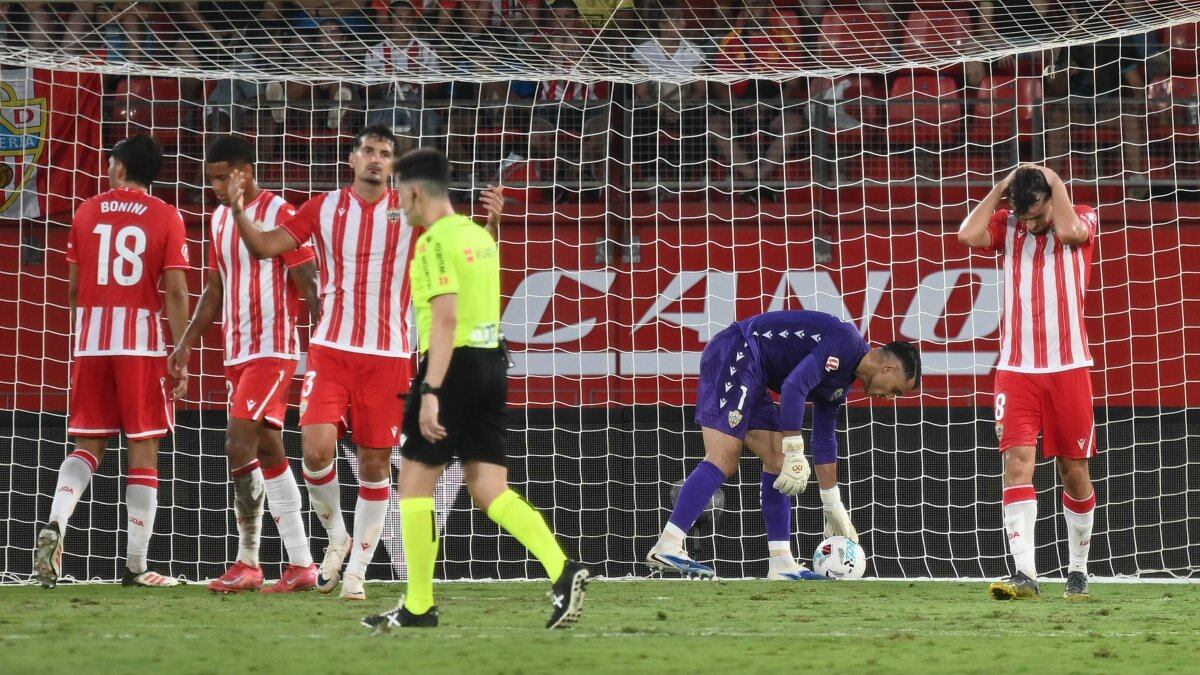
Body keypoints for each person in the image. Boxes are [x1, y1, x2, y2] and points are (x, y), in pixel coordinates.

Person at [227, 126, 503, 601]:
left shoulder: (411, 213)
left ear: (394, 166)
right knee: (315, 450)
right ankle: (337, 538)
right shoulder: (323, 207)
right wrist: (236, 211)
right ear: (352, 160)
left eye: (386, 154)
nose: (376, 160)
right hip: (331, 349)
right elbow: (267, 246)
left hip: (390, 356)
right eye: (369, 152)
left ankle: (355, 571)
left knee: (376, 465)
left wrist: (492, 225)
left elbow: (465, 255)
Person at [361, 148, 587, 631]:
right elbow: (479, 282)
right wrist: (496, 227)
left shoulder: (435, 242)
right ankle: (562, 570)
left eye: (400, 192)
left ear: (416, 191)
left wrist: (430, 390)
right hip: (493, 362)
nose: (398, 201)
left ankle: (419, 605)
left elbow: (445, 320)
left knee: (414, 484)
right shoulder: (476, 236)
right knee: (489, 488)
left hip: (455, 367)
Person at [645, 310, 921, 580]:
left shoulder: (841, 384)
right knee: (723, 458)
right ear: (889, 368)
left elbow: (825, 440)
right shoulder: (846, 340)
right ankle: (668, 544)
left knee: (778, 461)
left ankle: (781, 562)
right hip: (737, 351)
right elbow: (793, 387)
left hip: (756, 373)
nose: (891, 398)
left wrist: (832, 504)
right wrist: (795, 447)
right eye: (897, 390)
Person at [35, 134, 190, 589]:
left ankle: (56, 521)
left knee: (88, 445)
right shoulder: (167, 216)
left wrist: (88, 330)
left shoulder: (86, 211)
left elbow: (73, 289)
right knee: (143, 448)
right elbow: (177, 291)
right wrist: (180, 352)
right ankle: (136, 566)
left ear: (120, 168)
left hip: (91, 339)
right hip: (139, 344)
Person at [168, 136, 321, 594]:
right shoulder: (217, 219)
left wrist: (323, 342)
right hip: (235, 351)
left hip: (272, 350)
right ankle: (301, 564)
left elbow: (308, 279)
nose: (214, 185)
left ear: (245, 172)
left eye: (222, 176)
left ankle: (248, 561)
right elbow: (214, 291)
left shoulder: (281, 214)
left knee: (238, 443)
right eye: (210, 178)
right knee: (270, 450)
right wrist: (186, 344)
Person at [958, 165, 1099, 601]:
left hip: (1069, 368)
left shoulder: (1083, 216)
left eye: (1037, 215)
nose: (1031, 224)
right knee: (1016, 462)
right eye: (1024, 216)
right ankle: (1025, 574)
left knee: (1073, 470)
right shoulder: (1008, 224)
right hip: (1016, 370)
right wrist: (1003, 187)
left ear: (1051, 199)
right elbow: (967, 234)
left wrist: (1052, 180)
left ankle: (1078, 569)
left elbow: (1072, 231)